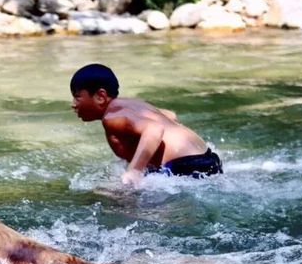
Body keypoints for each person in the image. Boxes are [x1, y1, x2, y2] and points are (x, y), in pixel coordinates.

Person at [70, 63, 222, 187]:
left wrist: (135, 171)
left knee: (109, 198)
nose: (73, 105)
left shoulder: (111, 117)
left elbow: (155, 129)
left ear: (100, 96)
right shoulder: (132, 104)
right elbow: (170, 115)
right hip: (209, 158)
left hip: (186, 166)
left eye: (77, 97)